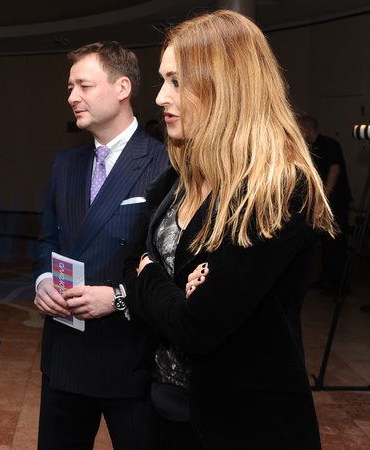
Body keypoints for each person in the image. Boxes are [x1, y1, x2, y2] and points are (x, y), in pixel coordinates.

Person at [123, 10, 335, 450]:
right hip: (163, 409)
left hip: (241, 424)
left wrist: (151, 273)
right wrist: (176, 286)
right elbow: (127, 261)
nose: (160, 96)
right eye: (163, 80)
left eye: (176, 81)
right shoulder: (178, 177)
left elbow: (196, 326)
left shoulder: (279, 189)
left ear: (225, 87)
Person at [33, 41, 169, 449]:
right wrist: (43, 280)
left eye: (84, 86)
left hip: (131, 356)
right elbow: (48, 238)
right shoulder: (65, 163)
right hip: (65, 353)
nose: (72, 97)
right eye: (70, 87)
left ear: (122, 87)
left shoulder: (165, 163)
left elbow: (172, 263)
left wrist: (119, 297)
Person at [298, 115, 352, 295]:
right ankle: (327, 280)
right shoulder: (312, 147)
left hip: (335, 201)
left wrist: (324, 198)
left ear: (306, 129)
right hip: (324, 202)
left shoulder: (329, 144)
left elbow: (334, 170)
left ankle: (340, 284)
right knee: (326, 241)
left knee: (337, 242)